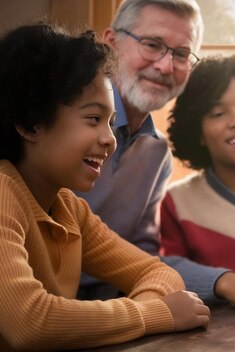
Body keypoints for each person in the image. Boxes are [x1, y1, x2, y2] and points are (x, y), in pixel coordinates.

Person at [0, 23, 209, 351]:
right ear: (31, 123)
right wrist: (153, 315)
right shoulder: (2, 193)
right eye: (93, 119)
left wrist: (145, 313)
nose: (110, 140)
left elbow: (160, 274)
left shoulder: (70, 210)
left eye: (111, 123)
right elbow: (30, 322)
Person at [74, 0, 235, 312]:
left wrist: (225, 281)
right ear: (111, 43)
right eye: (152, 45)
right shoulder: (62, 121)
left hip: (108, 313)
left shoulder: (156, 154)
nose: (166, 66)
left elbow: (142, 259)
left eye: (181, 54)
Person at [160, 54, 235, 310]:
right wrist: (226, 283)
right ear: (198, 132)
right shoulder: (176, 203)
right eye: (218, 113)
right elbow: (163, 269)